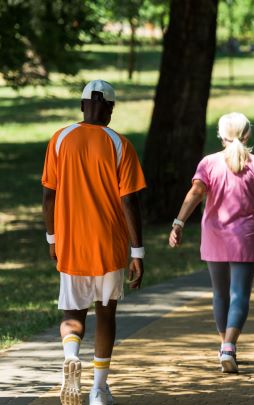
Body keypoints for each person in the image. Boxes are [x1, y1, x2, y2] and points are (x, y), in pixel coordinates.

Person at [41, 80, 146, 405]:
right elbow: (129, 201)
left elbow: (48, 195)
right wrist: (137, 251)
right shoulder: (120, 144)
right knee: (106, 313)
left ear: (82, 105)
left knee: (72, 313)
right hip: (109, 246)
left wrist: (52, 237)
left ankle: (71, 354)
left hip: (71, 244)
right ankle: (99, 389)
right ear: (110, 109)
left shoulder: (60, 139)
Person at [168, 112, 254, 373]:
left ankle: (225, 346)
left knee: (220, 293)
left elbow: (196, 192)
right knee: (240, 293)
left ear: (221, 136)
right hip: (247, 236)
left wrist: (179, 222)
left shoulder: (208, 163)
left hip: (215, 235)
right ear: (248, 134)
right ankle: (229, 346)